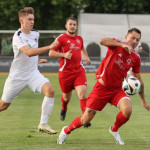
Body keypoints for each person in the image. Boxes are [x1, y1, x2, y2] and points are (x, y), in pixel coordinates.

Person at [57, 28, 150, 145]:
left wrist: (143, 101)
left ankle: (114, 129)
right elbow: (102, 41)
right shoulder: (116, 44)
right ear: (126, 37)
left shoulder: (136, 58)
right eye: (132, 38)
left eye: (137, 39)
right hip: (101, 88)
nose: (135, 41)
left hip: (117, 90)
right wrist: (122, 44)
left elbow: (139, 80)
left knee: (127, 110)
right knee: (85, 119)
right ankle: (66, 130)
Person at [0, 7, 58, 134]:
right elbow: (28, 52)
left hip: (33, 74)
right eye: (29, 19)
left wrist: (37, 60)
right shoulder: (18, 36)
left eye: (33, 19)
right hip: (17, 77)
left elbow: (31, 53)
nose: (32, 22)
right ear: (21, 20)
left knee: (50, 90)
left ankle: (43, 124)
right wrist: (49, 47)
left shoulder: (36, 33)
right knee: (3, 105)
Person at [49, 16, 91, 127]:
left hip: (79, 71)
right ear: (66, 26)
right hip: (65, 73)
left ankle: (85, 118)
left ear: (77, 26)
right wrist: (64, 55)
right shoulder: (61, 38)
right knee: (66, 97)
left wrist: (86, 57)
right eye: (70, 24)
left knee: (82, 95)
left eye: (74, 24)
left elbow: (82, 48)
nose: (72, 26)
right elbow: (51, 53)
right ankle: (64, 107)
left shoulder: (79, 38)